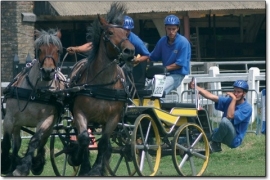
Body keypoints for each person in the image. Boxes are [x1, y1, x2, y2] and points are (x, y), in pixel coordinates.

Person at [189, 79, 252, 153]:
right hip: (223, 134)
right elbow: (211, 96)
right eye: (234, 91)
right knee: (204, 133)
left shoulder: (247, 108)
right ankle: (184, 144)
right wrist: (195, 87)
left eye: (239, 92)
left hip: (234, 139)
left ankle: (215, 144)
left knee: (225, 121)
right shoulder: (229, 101)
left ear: (244, 93)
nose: (235, 93)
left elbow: (229, 116)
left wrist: (234, 100)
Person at [134, 14, 191, 95]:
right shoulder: (162, 41)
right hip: (163, 74)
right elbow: (151, 57)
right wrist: (138, 59)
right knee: (147, 91)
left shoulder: (183, 42)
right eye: (169, 29)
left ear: (178, 28)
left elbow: (179, 64)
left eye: (173, 29)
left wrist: (162, 68)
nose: (171, 32)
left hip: (177, 74)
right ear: (165, 28)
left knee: (156, 91)